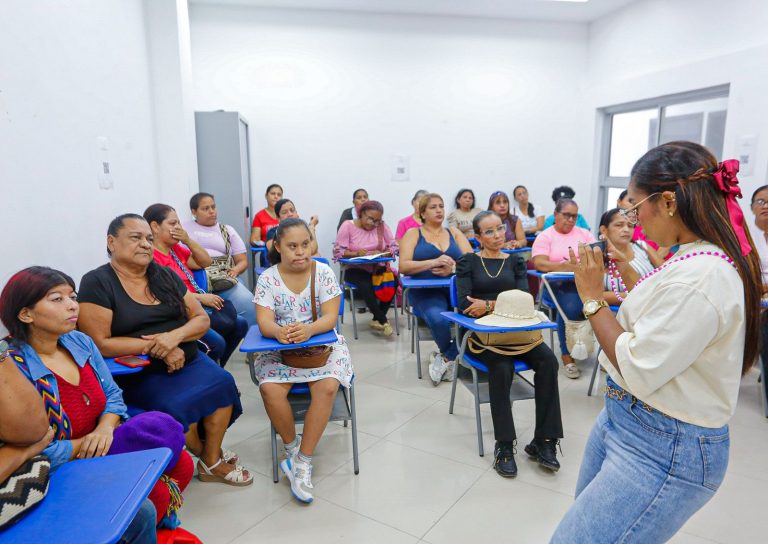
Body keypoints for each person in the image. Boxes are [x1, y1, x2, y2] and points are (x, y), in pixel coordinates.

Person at [552, 142, 762, 543]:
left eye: (634, 206)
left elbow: (637, 363)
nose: (633, 219)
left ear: (667, 202)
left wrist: (592, 296)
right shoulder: (690, 256)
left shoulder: (702, 276)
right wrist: (626, 268)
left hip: (663, 445)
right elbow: (657, 312)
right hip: (626, 417)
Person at [0, 266, 194, 528]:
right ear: (25, 314)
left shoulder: (79, 341)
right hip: (63, 465)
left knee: (181, 462)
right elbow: (37, 448)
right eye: (58, 299)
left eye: (73, 296)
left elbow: (113, 396)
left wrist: (105, 429)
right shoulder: (13, 370)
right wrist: (88, 444)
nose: (72, 306)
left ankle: (154, 524)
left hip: (103, 440)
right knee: (151, 493)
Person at [77, 213, 252, 486]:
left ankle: (210, 457)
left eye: (148, 238)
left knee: (223, 383)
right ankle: (208, 456)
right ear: (112, 242)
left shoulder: (164, 274)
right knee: (173, 405)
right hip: (138, 369)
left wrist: (174, 337)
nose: (146, 244)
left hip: (186, 355)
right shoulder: (97, 282)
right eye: (136, 238)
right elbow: (100, 342)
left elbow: (201, 319)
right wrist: (159, 346)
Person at [456, 211, 563, 478]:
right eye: (489, 231)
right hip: (482, 336)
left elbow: (524, 299)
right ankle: (504, 445)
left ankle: (545, 441)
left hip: (517, 330)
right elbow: (464, 304)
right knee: (502, 367)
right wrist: (489, 307)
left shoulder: (516, 262)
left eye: (499, 229)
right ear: (478, 237)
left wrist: (490, 304)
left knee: (549, 361)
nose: (497, 235)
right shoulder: (468, 262)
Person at [253, 218, 353, 504]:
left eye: (305, 244)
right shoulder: (268, 278)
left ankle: (303, 461)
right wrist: (279, 332)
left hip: (321, 344)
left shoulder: (322, 272)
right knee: (270, 388)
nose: (300, 252)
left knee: (328, 387)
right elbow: (264, 323)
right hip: (281, 348)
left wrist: (309, 329)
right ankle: (291, 449)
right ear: (277, 247)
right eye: (292, 246)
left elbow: (331, 318)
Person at [144, 204, 248, 367]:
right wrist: (200, 297)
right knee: (217, 343)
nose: (178, 227)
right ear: (155, 227)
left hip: (198, 306)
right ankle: (212, 370)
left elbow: (205, 262)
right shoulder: (150, 258)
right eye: (172, 223)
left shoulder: (175, 249)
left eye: (178, 222)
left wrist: (187, 240)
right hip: (180, 312)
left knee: (240, 324)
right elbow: (161, 294)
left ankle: (217, 368)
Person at [398, 193, 473, 385]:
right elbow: (404, 266)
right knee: (438, 319)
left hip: (456, 290)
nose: (439, 210)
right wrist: (432, 263)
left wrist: (453, 268)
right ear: (422, 213)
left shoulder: (454, 233)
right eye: (433, 207)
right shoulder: (413, 234)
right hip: (425, 291)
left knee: (475, 318)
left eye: (441, 206)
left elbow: (472, 262)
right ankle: (454, 355)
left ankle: (447, 357)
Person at [531, 199, 596, 378]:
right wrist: (566, 267)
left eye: (574, 216)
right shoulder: (546, 236)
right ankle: (567, 354)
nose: (570, 219)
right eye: (566, 215)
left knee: (600, 304)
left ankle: (595, 349)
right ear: (556, 214)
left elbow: (595, 256)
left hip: (582, 282)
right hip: (556, 285)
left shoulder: (584, 234)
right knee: (569, 308)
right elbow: (540, 263)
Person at [183, 192, 256, 327]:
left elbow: (243, 261)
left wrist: (235, 270)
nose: (212, 211)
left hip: (223, 280)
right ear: (194, 211)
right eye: (205, 208)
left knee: (249, 303)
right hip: (194, 282)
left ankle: (256, 344)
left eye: (213, 207)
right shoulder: (184, 229)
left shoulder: (227, 230)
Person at [334, 200, 398, 336]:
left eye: (377, 220)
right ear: (361, 214)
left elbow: (393, 246)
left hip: (376, 267)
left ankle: (376, 319)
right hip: (354, 269)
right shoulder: (347, 226)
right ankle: (383, 320)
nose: (373, 223)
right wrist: (356, 253)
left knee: (394, 281)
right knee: (365, 284)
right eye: (370, 219)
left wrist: (385, 252)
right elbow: (339, 252)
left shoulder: (381, 226)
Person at [598, 208, 658, 305]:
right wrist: (640, 295)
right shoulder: (597, 256)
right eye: (619, 225)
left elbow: (667, 271)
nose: (626, 229)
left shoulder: (643, 246)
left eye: (630, 226)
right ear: (604, 230)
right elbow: (597, 296)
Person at [749, 185, 768, 284]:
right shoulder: (743, 236)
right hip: (752, 292)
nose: (765, 206)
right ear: (752, 207)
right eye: (760, 202)